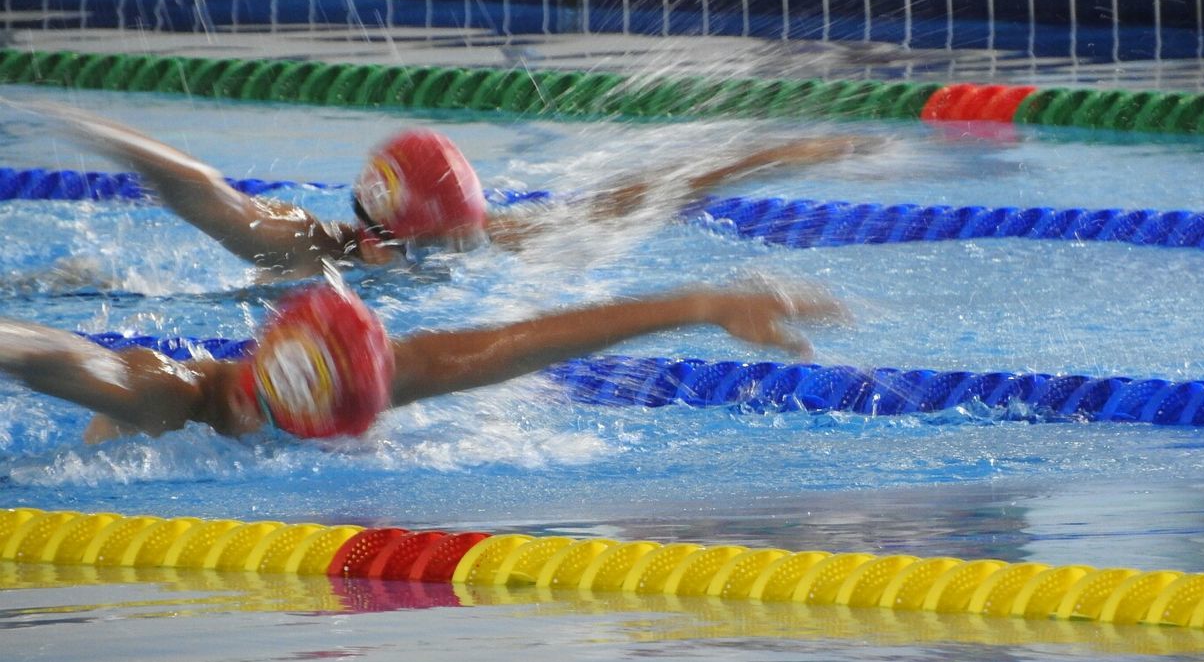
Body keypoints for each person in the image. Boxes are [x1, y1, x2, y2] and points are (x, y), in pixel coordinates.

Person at [35, 101, 880, 283]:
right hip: (222, 321)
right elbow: (204, 195)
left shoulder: (477, 240)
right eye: (427, 243)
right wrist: (98, 135)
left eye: (447, 240)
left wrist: (773, 154)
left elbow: (629, 200)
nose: (443, 254)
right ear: (374, 232)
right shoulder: (301, 242)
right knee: (94, 284)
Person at [0, 276, 844, 444]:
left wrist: (704, 304)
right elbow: (49, 355)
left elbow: (513, 348)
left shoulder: (349, 379)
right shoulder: (164, 396)